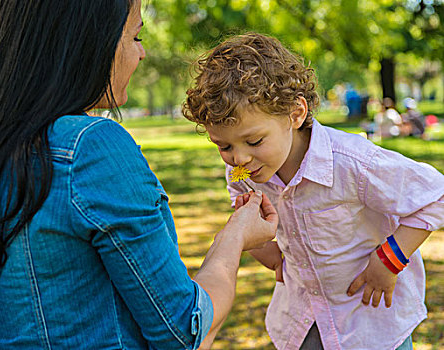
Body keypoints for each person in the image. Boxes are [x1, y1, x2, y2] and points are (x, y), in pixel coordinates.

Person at [0, 2, 279, 349]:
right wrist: (233, 238)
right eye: (135, 37)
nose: (141, 54)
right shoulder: (89, 148)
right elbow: (183, 332)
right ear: (90, 40)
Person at [182, 33, 444, 350]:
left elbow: (435, 196)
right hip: (303, 324)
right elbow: (272, 243)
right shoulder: (244, 173)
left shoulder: (352, 163)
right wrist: (266, 250)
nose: (239, 159)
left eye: (253, 141)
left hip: (371, 324)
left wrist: (387, 262)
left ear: (296, 113)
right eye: (223, 146)